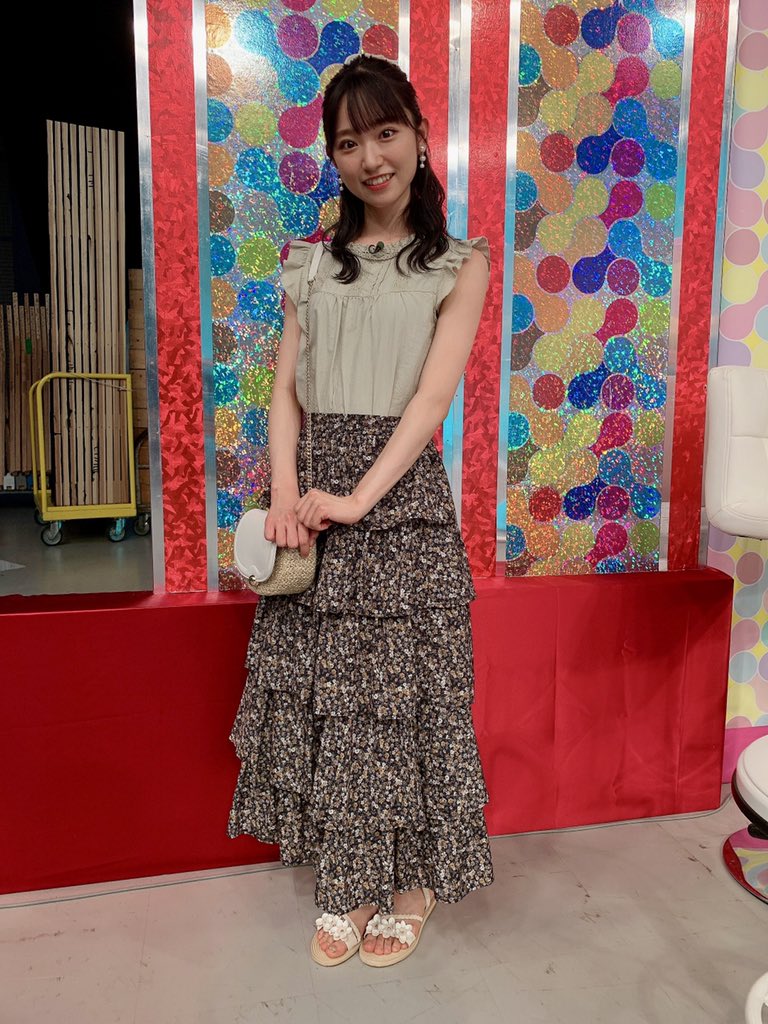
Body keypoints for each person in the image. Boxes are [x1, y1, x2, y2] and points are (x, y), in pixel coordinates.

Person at [227, 53, 493, 968]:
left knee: (406, 703)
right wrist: (285, 494)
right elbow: (285, 393)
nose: (371, 157)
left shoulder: (460, 264)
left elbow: (430, 403)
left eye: (386, 132)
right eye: (349, 142)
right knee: (333, 704)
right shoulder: (311, 264)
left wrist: (357, 499)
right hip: (311, 501)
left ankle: (412, 884)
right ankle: (349, 879)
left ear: (418, 135)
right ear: (333, 158)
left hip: (399, 501)